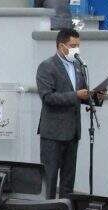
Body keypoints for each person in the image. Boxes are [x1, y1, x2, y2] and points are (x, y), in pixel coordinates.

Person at [36, 28, 102, 199]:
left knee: (68, 180)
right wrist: (76, 95)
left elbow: (83, 94)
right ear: (61, 46)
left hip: (72, 132)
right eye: (73, 46)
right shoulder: (47, 66)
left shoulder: (79, 66)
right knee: (49, 179)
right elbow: (48, 97)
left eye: (78, 46)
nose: (76, 50)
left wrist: (96, 96)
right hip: (53, 133)